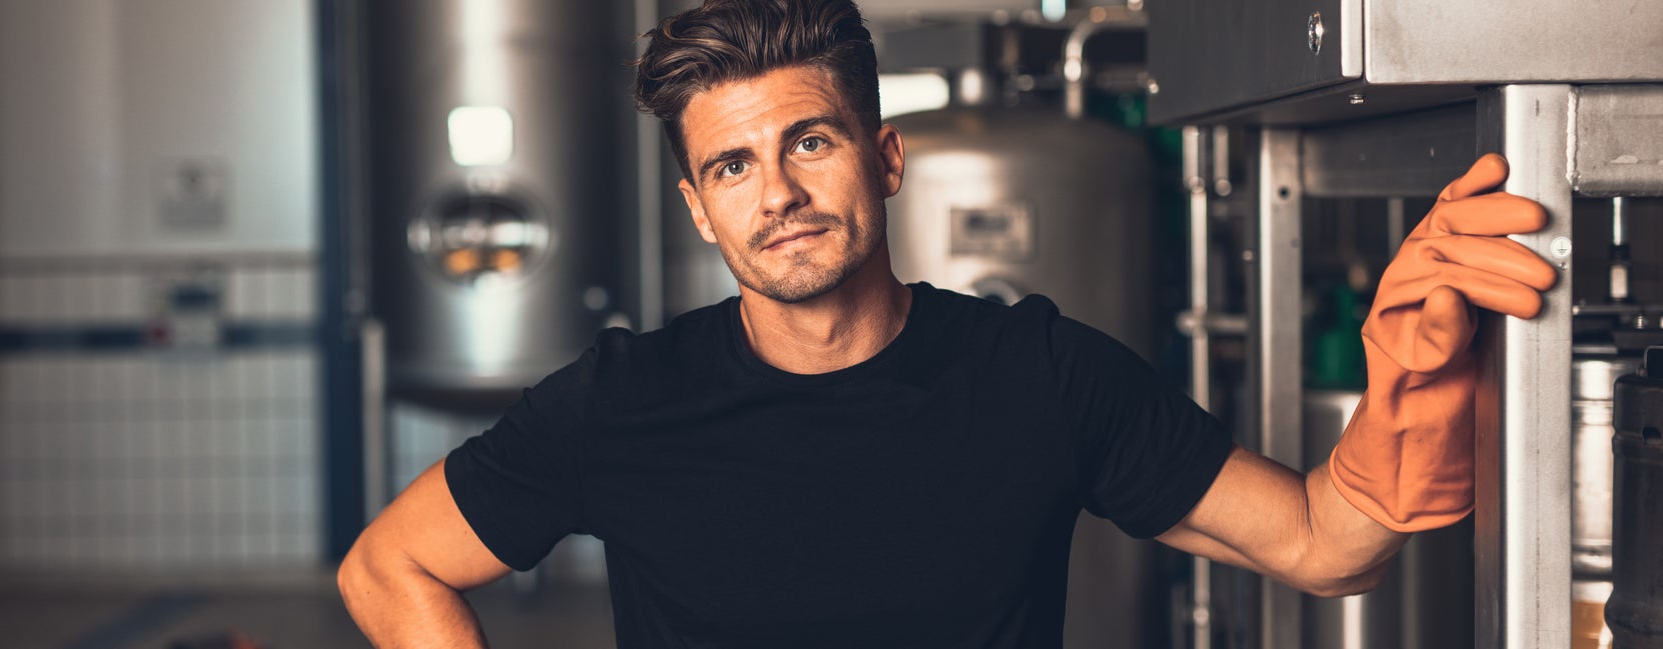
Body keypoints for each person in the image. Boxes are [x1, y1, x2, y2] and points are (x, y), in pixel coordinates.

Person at [337, 1, 1558, 647]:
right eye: (733, 168)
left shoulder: (1037, 376)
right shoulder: (625, 400)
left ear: (884, 159)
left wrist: (1413, 381)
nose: (779, 194)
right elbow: (389, 565)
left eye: (810, 142)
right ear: (699, 208)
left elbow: (1319, 543)